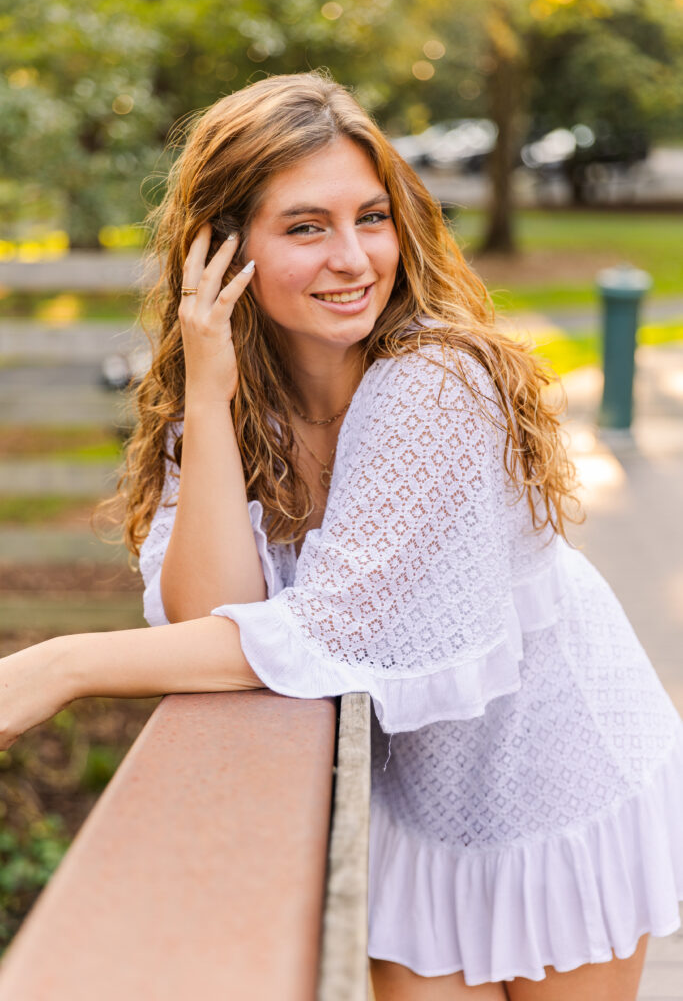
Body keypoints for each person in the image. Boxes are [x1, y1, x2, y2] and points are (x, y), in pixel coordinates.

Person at [1, 71, 681, 1000]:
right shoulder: (222, 413)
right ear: (221, 250)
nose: (355, 257)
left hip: (556, 773)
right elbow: (215, 616)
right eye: (306, 226)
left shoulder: (436, 385)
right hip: (414, 803)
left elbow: (323, 630)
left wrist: (62, 665)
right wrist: (207, 389)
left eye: (371, 217)